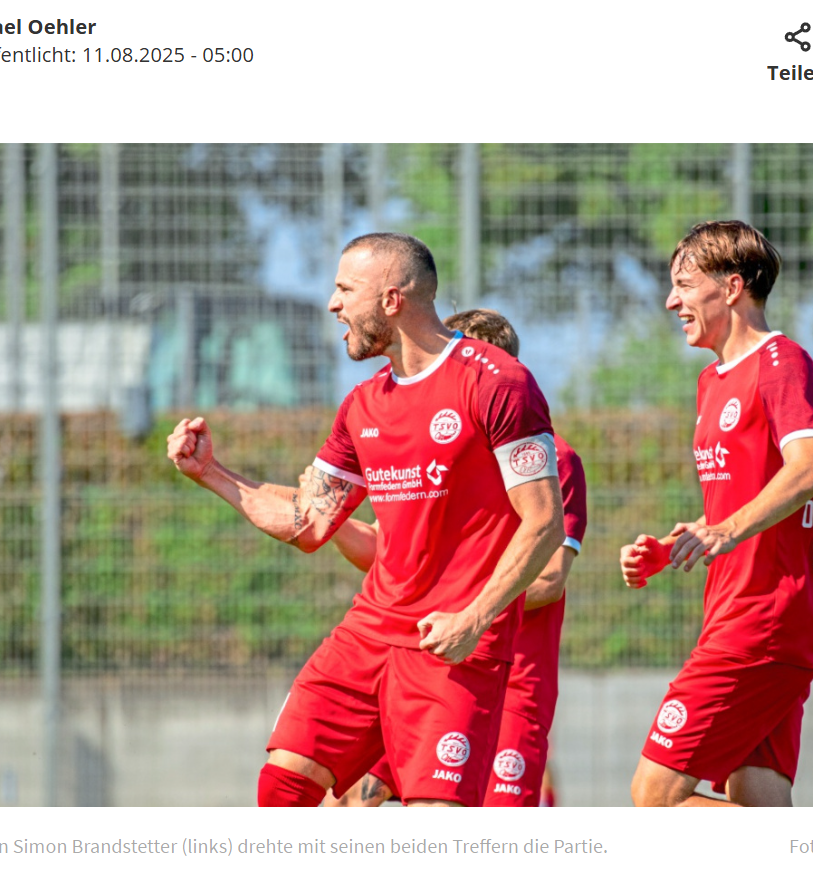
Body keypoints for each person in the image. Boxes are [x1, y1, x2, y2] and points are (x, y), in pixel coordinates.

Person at [167, 234, 564, 807]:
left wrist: (474, 618)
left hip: (450, 647)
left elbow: (544, 522)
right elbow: (309, 522)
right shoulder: (362, 403)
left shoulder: (496, 382)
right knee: (282, 788)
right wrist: (212, 473)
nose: (333, 304)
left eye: (345, 290)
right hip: (368, 635)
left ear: (392, 299)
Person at [321, 309, 587, 808]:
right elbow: (383, 550)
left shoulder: (554, 458)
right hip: (422, 668)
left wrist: (465, 608)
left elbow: (550, 579)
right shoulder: (438, 452)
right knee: (351, 798)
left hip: (511, 684)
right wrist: (326, 518)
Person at [619, 220, 813, 807]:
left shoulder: (782, 362)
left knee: (655, 797)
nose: (671, 301)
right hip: (740, 615)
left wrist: (727, 529)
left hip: (762, 621)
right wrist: (678, 545)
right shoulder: (710, 382)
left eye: (684, 285)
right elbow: (741, 500)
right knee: (755, 796)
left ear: (732, 287)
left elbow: (809, 469)